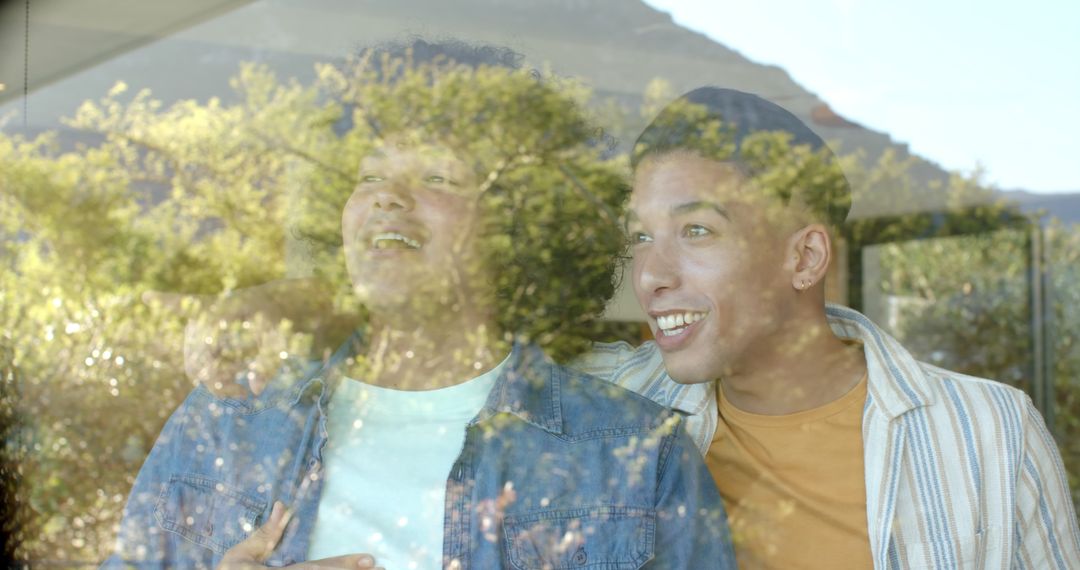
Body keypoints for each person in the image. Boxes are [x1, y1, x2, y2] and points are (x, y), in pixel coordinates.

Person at [102, 42, 734, 569]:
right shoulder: (230, 415)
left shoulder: (636, 453)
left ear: (516, 228)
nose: (388, 197)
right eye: (370, 174)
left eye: (436, 177)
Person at [620, 86, 1080, 568]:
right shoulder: (609, 409)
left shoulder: (995, 432)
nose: (650, 275)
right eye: (641, 236)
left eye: (697, 230)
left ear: (805, 257)